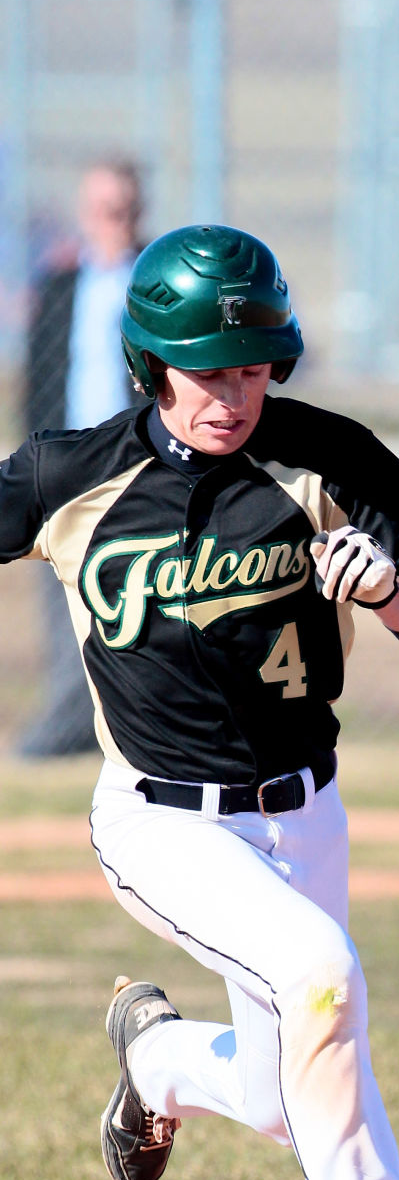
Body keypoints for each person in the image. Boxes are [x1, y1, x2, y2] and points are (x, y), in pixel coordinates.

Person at [0, 223, 399, 1180]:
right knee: (322, 972)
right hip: (161, 823)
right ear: (150, 361)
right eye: (208, 368)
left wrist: (397, 591)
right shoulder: (77, 475)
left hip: (304, 816)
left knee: (279, 1094)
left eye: (257, 365)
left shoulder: (323, 458)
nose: (234, 392)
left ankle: (157, 1060)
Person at [19, 160, 144, 757]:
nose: (112, 221)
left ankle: (128, 724)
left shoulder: (155, 283)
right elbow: (38, 380)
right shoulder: (60, 285)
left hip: (139, 461)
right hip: (71, 463)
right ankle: (70, 723)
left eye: (123, 209)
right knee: (65, 592)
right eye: (102, 209)